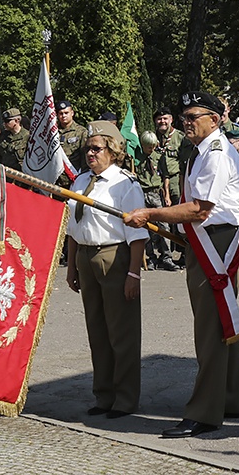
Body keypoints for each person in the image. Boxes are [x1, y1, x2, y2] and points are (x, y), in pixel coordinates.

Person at [124, 90, 239, 439]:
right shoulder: (203, 151)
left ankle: (205, 412)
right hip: (208, 238)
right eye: (185, 117)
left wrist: (150, 213)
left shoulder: (216, 154)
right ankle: (231, 397)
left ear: (215, 118)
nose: (186, 123)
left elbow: (199, 209)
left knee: (211, 327)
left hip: (215, 241)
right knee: (223, 322)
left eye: (194, 117)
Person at [65, 121, 148, 418]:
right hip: (87, 257)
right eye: (88, 148)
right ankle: (104, 395)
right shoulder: (80, 182)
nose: (91, 153)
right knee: (97, 331)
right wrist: (73, 265)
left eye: (97, 148)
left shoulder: (125, 183)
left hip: (114, 256)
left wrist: (133, 274)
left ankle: (125, 399)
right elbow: (74, 228)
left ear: (112, 151)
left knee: (121, 332)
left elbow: (138, 235)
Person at [137, 131, 178, 271]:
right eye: (149, 147)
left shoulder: (159, 156)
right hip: (142, 193)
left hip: (156, 193)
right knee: (146, 227)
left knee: (164, 226)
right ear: (143, 145)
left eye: (154, 146)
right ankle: (151, 258)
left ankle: (167, 257)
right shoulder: (135, 157)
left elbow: (165, 175)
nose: (152, 149)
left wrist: (167, 195)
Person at [56, 100, 88, 186]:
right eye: (61, 113)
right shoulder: (53, 133)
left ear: (72, 113)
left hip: (74, 177)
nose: (64, 116)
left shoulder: (81, 132)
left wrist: (83, 177)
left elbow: (84, 157)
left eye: (66, 113)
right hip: (56, 179)